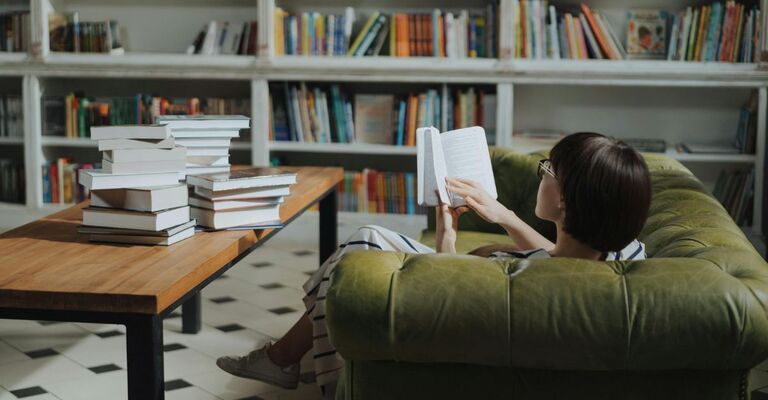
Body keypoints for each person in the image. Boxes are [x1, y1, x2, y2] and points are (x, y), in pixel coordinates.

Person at [216, 132, 652, 397]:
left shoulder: (523, 280)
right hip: (476, 281)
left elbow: (447, 300)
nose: (541, 174)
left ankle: (306, 370)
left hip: (449, 297)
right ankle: (284, 358)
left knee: (361, 246)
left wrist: (447, 236)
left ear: (565, 201)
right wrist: (505, 217)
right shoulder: (627, 254)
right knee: (367, 241)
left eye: (548, 169)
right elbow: (563, 257)